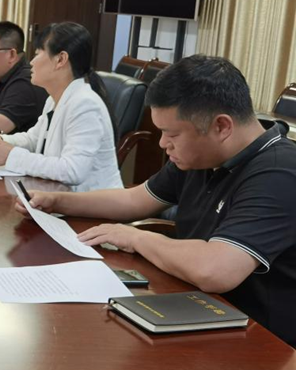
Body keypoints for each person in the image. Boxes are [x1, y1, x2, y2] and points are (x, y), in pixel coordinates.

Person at [20, 55, 296, 347]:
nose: (163, 144)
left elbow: (216, 270)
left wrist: (135, 237)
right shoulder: (203, 156)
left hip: (263, 343)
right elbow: (133, 200)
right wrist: (57, 201)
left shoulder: (279, 173)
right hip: (198, 309)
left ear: (221, 126)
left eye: (171, 133)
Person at [0, 22, 123, 192]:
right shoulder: (54, 99)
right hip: (59, 195)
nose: (31, 62)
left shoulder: (85, 104)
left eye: (38, 53)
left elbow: (72, 170)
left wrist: (11, 156)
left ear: (60, 59)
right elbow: (33, 140)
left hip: (93, 203)